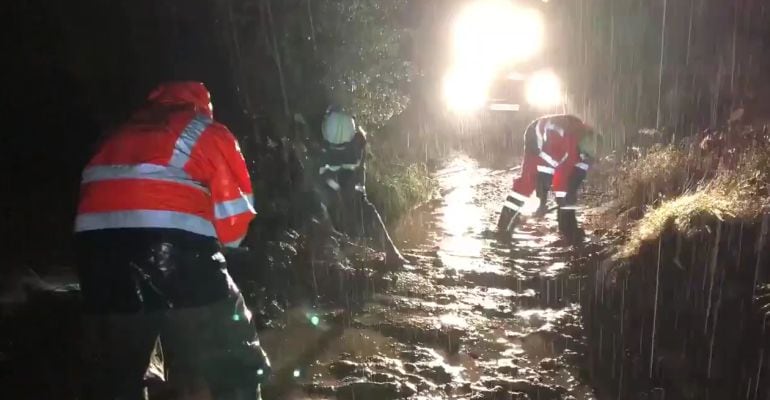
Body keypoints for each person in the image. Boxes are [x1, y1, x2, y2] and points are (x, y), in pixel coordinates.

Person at [74, 81, 270, 400]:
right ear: (201, 105)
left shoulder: (116, 134)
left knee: (116, 371)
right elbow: (234, 227)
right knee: (232, 358)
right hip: (173, 246)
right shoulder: (206, 130)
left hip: (97, 250)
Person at [316, 107, 407, 268]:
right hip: (338, 192)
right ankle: (334, 246)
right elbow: (324, 178)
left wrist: (343, 191)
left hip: (351, 191)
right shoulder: (331, 148)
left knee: (365, 210)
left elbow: (352, 180)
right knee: (324, 206)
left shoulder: (354, 146)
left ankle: (390, 252)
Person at [497, 114, 593, 240]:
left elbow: (573, 180)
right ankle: (504, 223)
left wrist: (569, 195)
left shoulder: (588, 150)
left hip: (559, 141)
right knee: (528, 182)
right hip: (536, 136)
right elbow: (551, 174)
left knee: (568, 192)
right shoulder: (566, 143)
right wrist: (543, 202)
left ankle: (568, 228)